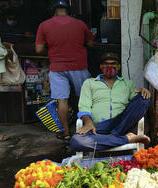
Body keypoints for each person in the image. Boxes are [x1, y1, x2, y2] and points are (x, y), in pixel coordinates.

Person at [35, 0, 94, 141]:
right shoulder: (80, 24)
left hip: (57, 67)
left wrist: (53, 47)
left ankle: (66, 132)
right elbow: (91, 43)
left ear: (53, 10)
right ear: (68, 10)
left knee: (62, 101)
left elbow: (38, 49)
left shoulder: (44, 25)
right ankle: (89, 127)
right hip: (79, 66)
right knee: (85, 98)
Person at [70, 52, 151, 151]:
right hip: (98, 127)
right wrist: (88, 122)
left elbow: (135, 106)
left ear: (119, 66)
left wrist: (144, 92)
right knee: (76, 141)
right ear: (100, 66)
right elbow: (84, 106)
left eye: (113, 64)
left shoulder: (127, 83)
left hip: (121, 123)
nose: (109, 66)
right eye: (106, 64)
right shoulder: (89, 83)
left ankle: (114, 136)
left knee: (144, 99)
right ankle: (127, 138)